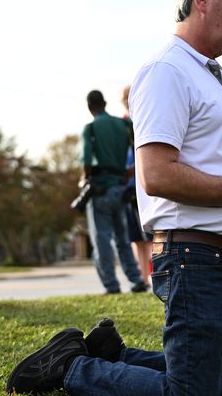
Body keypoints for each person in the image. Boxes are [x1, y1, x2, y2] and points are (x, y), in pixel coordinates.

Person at [6, 0, 222, 394]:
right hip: (197, 259)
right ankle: (71, 368)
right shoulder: (167, 70)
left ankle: (113, 356)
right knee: (190, 391)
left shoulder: (209, 74)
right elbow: (157, 175)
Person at [80, 89, 147, 295]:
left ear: (90, 107)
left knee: (102, 241)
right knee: (123, 239)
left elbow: (86, 160)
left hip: (100, 189)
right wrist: (127, 174)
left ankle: (111, 285)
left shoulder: (90, 128)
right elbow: (140, 150)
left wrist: (85, 179)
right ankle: (136, 281)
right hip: (120, 187)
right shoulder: (123, 125)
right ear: (105, 103)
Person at [121, 84, 153, 286]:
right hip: (129, 188)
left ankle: (150, 275)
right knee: (137, 239)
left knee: (148, 237)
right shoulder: (122, 125)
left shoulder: (143, 120)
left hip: (143, 186)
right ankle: (142, 276)